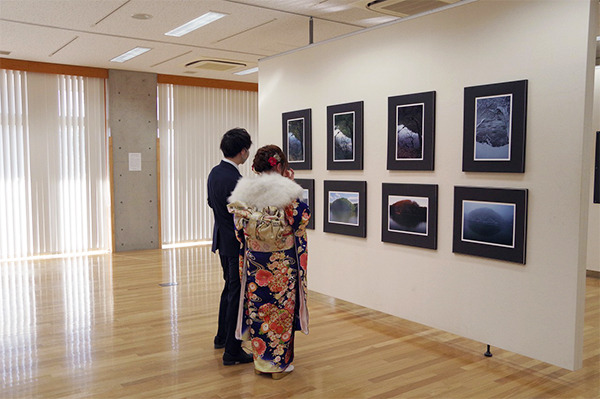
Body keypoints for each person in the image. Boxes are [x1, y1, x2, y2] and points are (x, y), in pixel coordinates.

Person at [227, 145, 310, 379]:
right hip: (280, 263)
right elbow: (301, 220)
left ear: (256, 167)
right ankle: (277, 367)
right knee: (279, 313)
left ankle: (261, 362)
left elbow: (238, 229)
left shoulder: (245, 190)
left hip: (255, 263)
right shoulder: (287, 191)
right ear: (281, 165)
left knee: (259, 311)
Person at [207, 127, 253, 366]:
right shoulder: (236, 179)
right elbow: (245, 214)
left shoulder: (215, 173)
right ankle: (232, 350)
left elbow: (211, 203)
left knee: (229, 290)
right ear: (243, 151)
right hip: (235, 245)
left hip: (222, 241)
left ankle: (222, 337)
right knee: (237, 294)